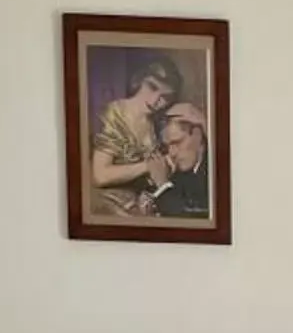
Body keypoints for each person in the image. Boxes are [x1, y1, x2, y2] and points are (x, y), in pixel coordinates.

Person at [90, 56, 185, 216]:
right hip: (111, 206)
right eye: (152, 87)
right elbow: (100, 175)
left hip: (144, 205)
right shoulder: (113, 114)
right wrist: (147, 166)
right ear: (140, 80)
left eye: (164, 97)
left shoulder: (158, 123)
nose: (155, 100)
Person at [148, 98, 211, 220]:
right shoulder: (178, 176)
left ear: (197, 134)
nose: (172, 153)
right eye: (167, 146)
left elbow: (191, 220)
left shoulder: (217, 171)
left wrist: (162, 186)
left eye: (177, 142)